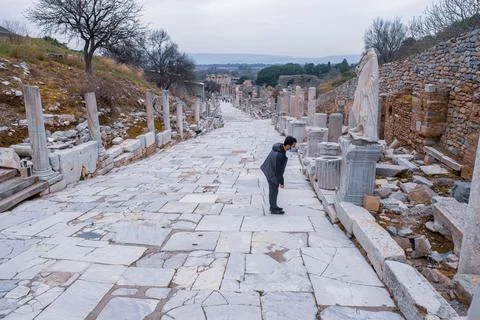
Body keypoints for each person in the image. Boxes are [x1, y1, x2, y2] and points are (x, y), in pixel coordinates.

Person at [260, 136, 297, 214]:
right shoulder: (280, 155)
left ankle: (274, 206)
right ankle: (273, 209)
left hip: (269, 168)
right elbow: (278, 172)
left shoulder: (280, 147)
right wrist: (281, 182)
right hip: (271, 172)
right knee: (273, 190)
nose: (293, 148)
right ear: (288, 145)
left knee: (274, 190)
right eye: (293, 146)